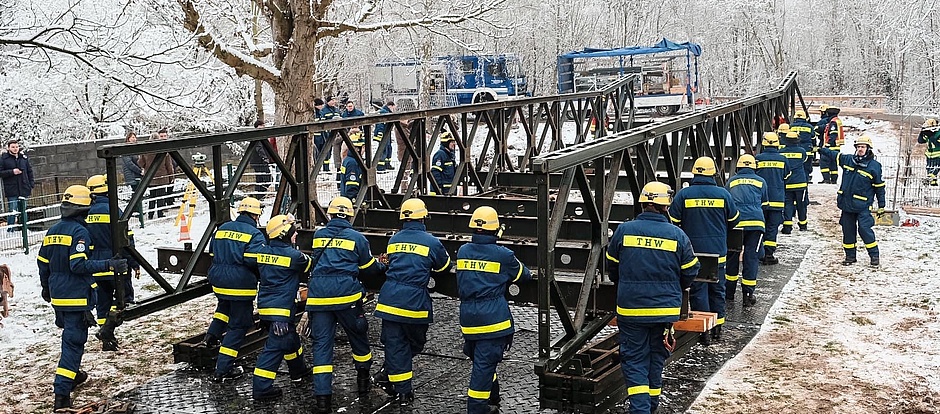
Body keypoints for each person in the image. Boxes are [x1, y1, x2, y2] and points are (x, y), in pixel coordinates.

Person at [606, 181, 699, 414]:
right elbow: (690, 271)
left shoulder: (624, 230)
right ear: (665, 206)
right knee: (656, 356)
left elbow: (612, 267)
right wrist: (676, 289)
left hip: (632, 309)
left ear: (643, 204)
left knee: (635, 359)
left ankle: (641, 409)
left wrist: (626, 285)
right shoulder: (677, 235)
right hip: (664, 310)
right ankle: (651, 406)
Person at [37, 185, 127, 410]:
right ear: (83, 209)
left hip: (59, 296)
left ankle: (73, 374)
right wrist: (108, 264)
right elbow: (77, 265)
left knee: (69, 338)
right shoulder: (79, 233)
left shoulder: (52, 231)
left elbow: (43, 264)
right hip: (76, 296)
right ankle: (62, 394)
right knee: (74, 344)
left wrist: (46, 288)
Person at [306, 196, 386, 413]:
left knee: (321, 346)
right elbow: (368, 267)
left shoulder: (319, 235)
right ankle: (363, 381)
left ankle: (323, 399)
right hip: (346, 298)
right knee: (358, 336)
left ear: (330, 214)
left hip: (319, 298)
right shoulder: (357, 238)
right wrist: (382, 265)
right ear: (350, 215)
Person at [372, 198, 451, 406]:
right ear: (423, 217)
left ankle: (391, 379)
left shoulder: (394, 240)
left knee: (396, 345)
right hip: (414, 303)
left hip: (389, 300)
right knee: (414, 343)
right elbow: (443, 268)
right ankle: (402, 390)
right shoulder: (431, 242)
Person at [456, 206, 532, 414]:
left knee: (483, 361)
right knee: (483, 366)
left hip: (468, 320)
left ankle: (494, 395)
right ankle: (477, 408)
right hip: (493, 321)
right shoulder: (503, 255)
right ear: (496, 230)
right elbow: (523, 275)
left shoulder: (463, 251)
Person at [668, 157, 738, 345]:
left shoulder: (684, 195)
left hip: (694, 252)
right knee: (718, 289)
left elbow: (673, 222)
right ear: (712, 173)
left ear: (694, 172)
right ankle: (718, 329)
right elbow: (734, 221)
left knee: (698, 290)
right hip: (718, 251)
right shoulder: (723, 194)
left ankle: (704, 332)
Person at [251, 214, 313, 401]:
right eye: (293, 233)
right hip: (281, 311)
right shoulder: (293, 256)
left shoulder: (262, 254)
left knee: (290, 339)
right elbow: (310, 264)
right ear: (284, 234)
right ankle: (261, 387)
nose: (295, 237)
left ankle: (298, 370)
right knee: (275, 348)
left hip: (267, 308)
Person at [205, 197, 266, 382]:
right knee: (238, 325)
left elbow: (212, 253)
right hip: (239, 285)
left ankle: (211, 336)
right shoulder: (254, 234)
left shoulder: (222, 229)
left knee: (224, 308)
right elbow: (252, 259)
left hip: (218, 279)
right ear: (255, 215)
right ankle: (223, 369)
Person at [84, 175, 140, 351]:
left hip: (96, 266)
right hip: (116, 264)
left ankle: (107, 339)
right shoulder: (113, 210)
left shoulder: (85, 213)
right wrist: (134, 262)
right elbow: (126, 240)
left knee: (102, 302)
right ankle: (108, 328)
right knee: (125, 300)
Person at [817, 135, 885, 267]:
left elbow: (879, 187)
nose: (860, 149)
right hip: (847, 205)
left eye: (863, 147)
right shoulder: (848, 160)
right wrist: (820, 150)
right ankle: (850, 257)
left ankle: (874, 256)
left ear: (868, 149)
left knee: (865, 230)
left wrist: (881, 205)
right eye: (858, 147)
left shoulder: (874, 166)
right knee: (848, 231)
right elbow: (834, 154)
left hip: (863, 206)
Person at [724, 155, 768, 306]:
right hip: (756, 224)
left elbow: (727, 202)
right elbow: (764, 203)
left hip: (736, 223)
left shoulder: (731, 181)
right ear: (754, 168)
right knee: (751, 257)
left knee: (732, 256)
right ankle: (747, 295)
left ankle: (729, 292)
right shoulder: (760, 181)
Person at [755, 132, 787, 265]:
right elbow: (786, 176)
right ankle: (769, 254)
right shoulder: (783, 159)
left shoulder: (758, 159)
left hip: (761, 200)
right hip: (777, 199)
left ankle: (758, 252)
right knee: (772, 227)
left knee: (761, 226)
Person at [138, 130, 176, 219]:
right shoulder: (164, 150)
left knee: (152, 196)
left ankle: (150, 214)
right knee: (161, 196)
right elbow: (169, 165)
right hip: (162, 177)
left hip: (150, 178)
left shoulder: (146, 151)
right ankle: (160, 213)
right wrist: (171, 176)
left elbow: (140, 163)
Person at [1, 139, 35, 232]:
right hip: (11, 189)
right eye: (13, 147)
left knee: (24, 210)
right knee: (12, 210)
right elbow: (1, 173)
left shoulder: (23, 158)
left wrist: (31, 184)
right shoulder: (4, 159)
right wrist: (12, 172)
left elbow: (29, 171)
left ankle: (24, 230)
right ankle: (10, 230)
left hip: (24, 188)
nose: (15, 149)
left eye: (16, 147)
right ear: (8, 148)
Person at [780, 130, 809, 233]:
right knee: (801, 205)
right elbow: (804, 160)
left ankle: (787, 227)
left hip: (787, 184)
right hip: (800, 183)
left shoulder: (781, 152)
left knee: (788, 205)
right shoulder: (802, 151)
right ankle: (803, 225)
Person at [121, 132, 145, 228]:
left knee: (137, 193)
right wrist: (140, 171)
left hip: (137, 174)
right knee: (136, 193)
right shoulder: (126, 150)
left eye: (135, 137)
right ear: (128, 139)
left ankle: (135, 210)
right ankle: (133, 210)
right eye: (132, 137)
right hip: (132, 175)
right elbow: (129, 164)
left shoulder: (136, 149)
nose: (134, 139)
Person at [817, 106, 844, 184]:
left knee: (824, 162)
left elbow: (833, 134)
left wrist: (828, 144)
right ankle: (833, 180)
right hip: (836, 147)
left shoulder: (833, 122)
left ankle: (826, 179)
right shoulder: (837, 120)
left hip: (831, 147)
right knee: (833, 164)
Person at [319, 96, 343, 180]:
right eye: (332, 100)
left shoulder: (336, 110)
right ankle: (325, 168)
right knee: (326, 152)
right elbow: (322, 123)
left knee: (336, 152)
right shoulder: (324, 111)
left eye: (334, 100)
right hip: (328, 134)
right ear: (328, 102)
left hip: (338, 134)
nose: (333, 102)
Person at [791, 110, 816, 183]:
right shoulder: (809, 127)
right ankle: (806, 179)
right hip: (807, 150)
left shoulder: (791, 127)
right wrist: (814, 149)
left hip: (795, 151)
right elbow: (813, 139)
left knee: (795, 166)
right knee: (806, 167)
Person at [341, 130, 366, 199]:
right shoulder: (353, 163)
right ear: (357, 149)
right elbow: (351, 184)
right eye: (363, 147)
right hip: (351, 199)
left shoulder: (348, 159)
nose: (364, 150)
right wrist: (355, 200)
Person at [250, 120, 272, 197]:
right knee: (266, 179)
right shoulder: (258, 136)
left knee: (260, 179)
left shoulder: (257, 135)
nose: (264, 126)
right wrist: (265, 158)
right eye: (262, 125)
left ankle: (259, 195)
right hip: (260, 161)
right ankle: (260, 195)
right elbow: (259, 148)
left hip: (257, 161)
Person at [373, 102, 396, 172]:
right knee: (383, 149)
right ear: (390, 106)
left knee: (388, 148)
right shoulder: (384, 112)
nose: (394, 109)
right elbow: (380, 123)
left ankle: (387, 164)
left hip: (386, 133)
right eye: (393, 107)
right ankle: (380, 166)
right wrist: (380, 134)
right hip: (383, 134)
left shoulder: (387, 112)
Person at [917, 118, 940, 186]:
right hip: (929, 154)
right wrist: (922, 133)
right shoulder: (927, 133)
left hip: (938, 154)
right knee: (929, 167)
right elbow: (920, 141)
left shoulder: (938, 133)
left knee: (936, 167)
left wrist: (931, 136)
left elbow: (936, 141)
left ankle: (930, 178)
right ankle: (933, 181)